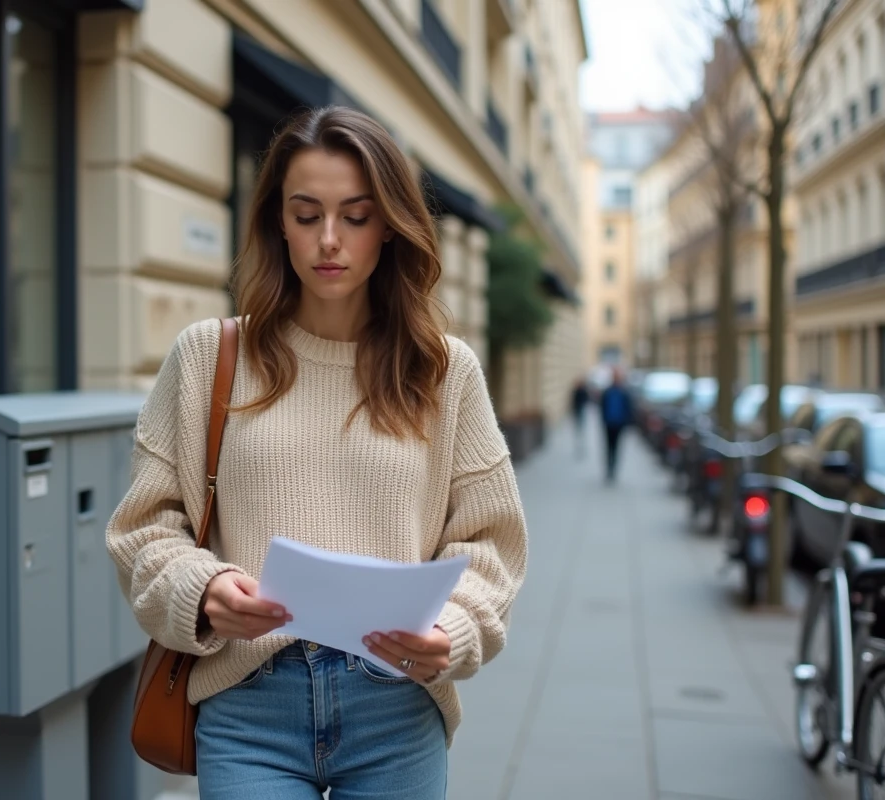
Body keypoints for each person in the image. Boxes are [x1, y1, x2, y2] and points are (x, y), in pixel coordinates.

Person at [107, 106, 528, 800]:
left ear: (389, 224)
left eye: (356, 217)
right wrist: (204, 591)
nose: (329, 240)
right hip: (248, 703)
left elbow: (492, 544)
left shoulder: (443, 371)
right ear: (278, 220)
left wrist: (452, 629)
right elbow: (145, 527)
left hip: (396, 705)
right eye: (307, 215)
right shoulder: (210, 356)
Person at [599, 367, 633, 483]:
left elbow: (629, 409)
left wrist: (627, 423)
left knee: (616, 447)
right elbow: (602, 407)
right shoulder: (608, 392)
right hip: (609, 423)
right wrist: (603, 420)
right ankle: (609, 469)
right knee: (609, 447)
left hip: (619, 424)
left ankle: (614, 469)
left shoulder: (624, 392)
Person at [571, 378, 591, 457]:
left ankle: (581, 446)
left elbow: (586, 400)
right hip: (577, 411)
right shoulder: (576, 391)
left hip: (582, 411)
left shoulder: (583, 391)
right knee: (578, 428)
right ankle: (578, 445)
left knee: (582, 428)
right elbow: (573, 401)